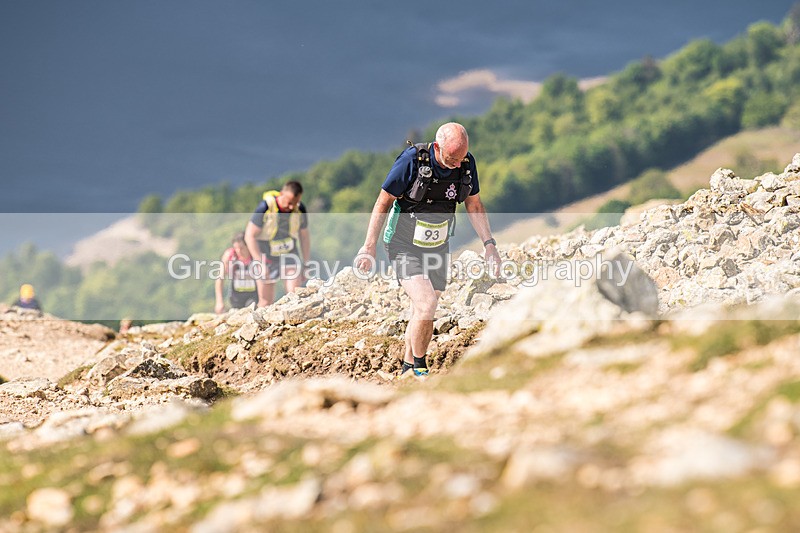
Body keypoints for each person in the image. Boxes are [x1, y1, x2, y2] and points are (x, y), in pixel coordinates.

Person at [356, 122, 500, 377]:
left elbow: (474, 204)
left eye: (461, 158)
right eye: (451, 158)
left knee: (422, 308)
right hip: (402, 244)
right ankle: (420, 369)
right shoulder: (411, 161)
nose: (457, 164)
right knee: (426, 303)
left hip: (437, 245)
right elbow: (383, 202)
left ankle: (407, 368)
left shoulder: (466, 164)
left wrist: (489, 245)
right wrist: (368, 247)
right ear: (437, 147)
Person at [244, 181, 311, 307]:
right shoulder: (265, 208)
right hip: (266, 257)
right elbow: (249, 236)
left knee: (294, 296)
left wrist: (306, 263)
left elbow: (305, 237)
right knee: (265, 301)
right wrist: (259, 263)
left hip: (289, 256)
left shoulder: (300, 209)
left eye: (295, 202)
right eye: (289, 202)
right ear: (282, 194)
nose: (292, 207)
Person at [215, 232, 258, 313]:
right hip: (236, 296)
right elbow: (220, 278)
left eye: (241, 248)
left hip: (254, 295)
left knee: (251, 310)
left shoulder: (255, 255)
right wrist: (219, 301)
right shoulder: (229, 256)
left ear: (248, 246)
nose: (239, 251)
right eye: (236, 248)